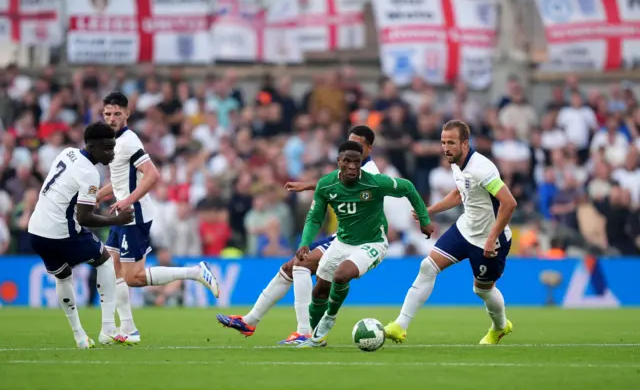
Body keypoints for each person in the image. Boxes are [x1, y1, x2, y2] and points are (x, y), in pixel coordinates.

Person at [216, 126, 385, 345]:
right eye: (349, 141)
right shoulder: (350, 168)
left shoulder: (370, 171)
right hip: (341, 235)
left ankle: (305, 332)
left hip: (359, 240)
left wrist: (308, 185)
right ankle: (250, 321)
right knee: (289, 267)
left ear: (369, 148)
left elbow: (346, 187)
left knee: (301, 265)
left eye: (359, 144)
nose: (352, 147)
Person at [97, 91, 219, 344]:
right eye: (107, 113)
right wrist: (99, 195)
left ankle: (195, 272)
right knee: (111, 269)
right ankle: (127, 329)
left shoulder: (129, 141)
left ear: (127, 114)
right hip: (122, 214)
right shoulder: (114, 141)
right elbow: (121, 180)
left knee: (134, 277)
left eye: (117, 113)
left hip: (134, 215)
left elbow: (152, 175)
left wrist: (127, 201)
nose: (111, 118)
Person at [384, 120, 518, 345]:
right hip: (465, 229)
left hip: (489, 239)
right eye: (443, 142)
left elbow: (509, 203)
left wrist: (492, 237)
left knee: (482, 290)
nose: (446, 147)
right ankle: (400, 325)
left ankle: (500, 326)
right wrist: (431, 210)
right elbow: (459, 193)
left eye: (451, 143)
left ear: (465, 144)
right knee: (428, 266)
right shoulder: (457, 164)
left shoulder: (481, 169)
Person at [297, 140, 434, 348]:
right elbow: (315, 218)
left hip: (373, 243)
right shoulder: (326, 185)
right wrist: (305, 242)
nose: (352, 166)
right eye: (347, 161)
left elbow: (408, 187)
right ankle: (317, 339)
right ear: (338, 162)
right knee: (320, 290)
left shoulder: (375, 183)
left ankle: (330, 317)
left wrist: (424, 220)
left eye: (357, 162)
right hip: (342, 242)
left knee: (341, 275)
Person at [27, 122, 134, 349]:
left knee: (63, 275)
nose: (111, 153)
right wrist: (117, 220)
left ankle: (80, 337)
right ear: (92, 146)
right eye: (106, 148)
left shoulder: (67, 153)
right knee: (104, 261)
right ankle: (108, 329)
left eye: (113, 147)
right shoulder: (89, 173)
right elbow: (85, 218)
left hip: (37, 230)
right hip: (61, 232)